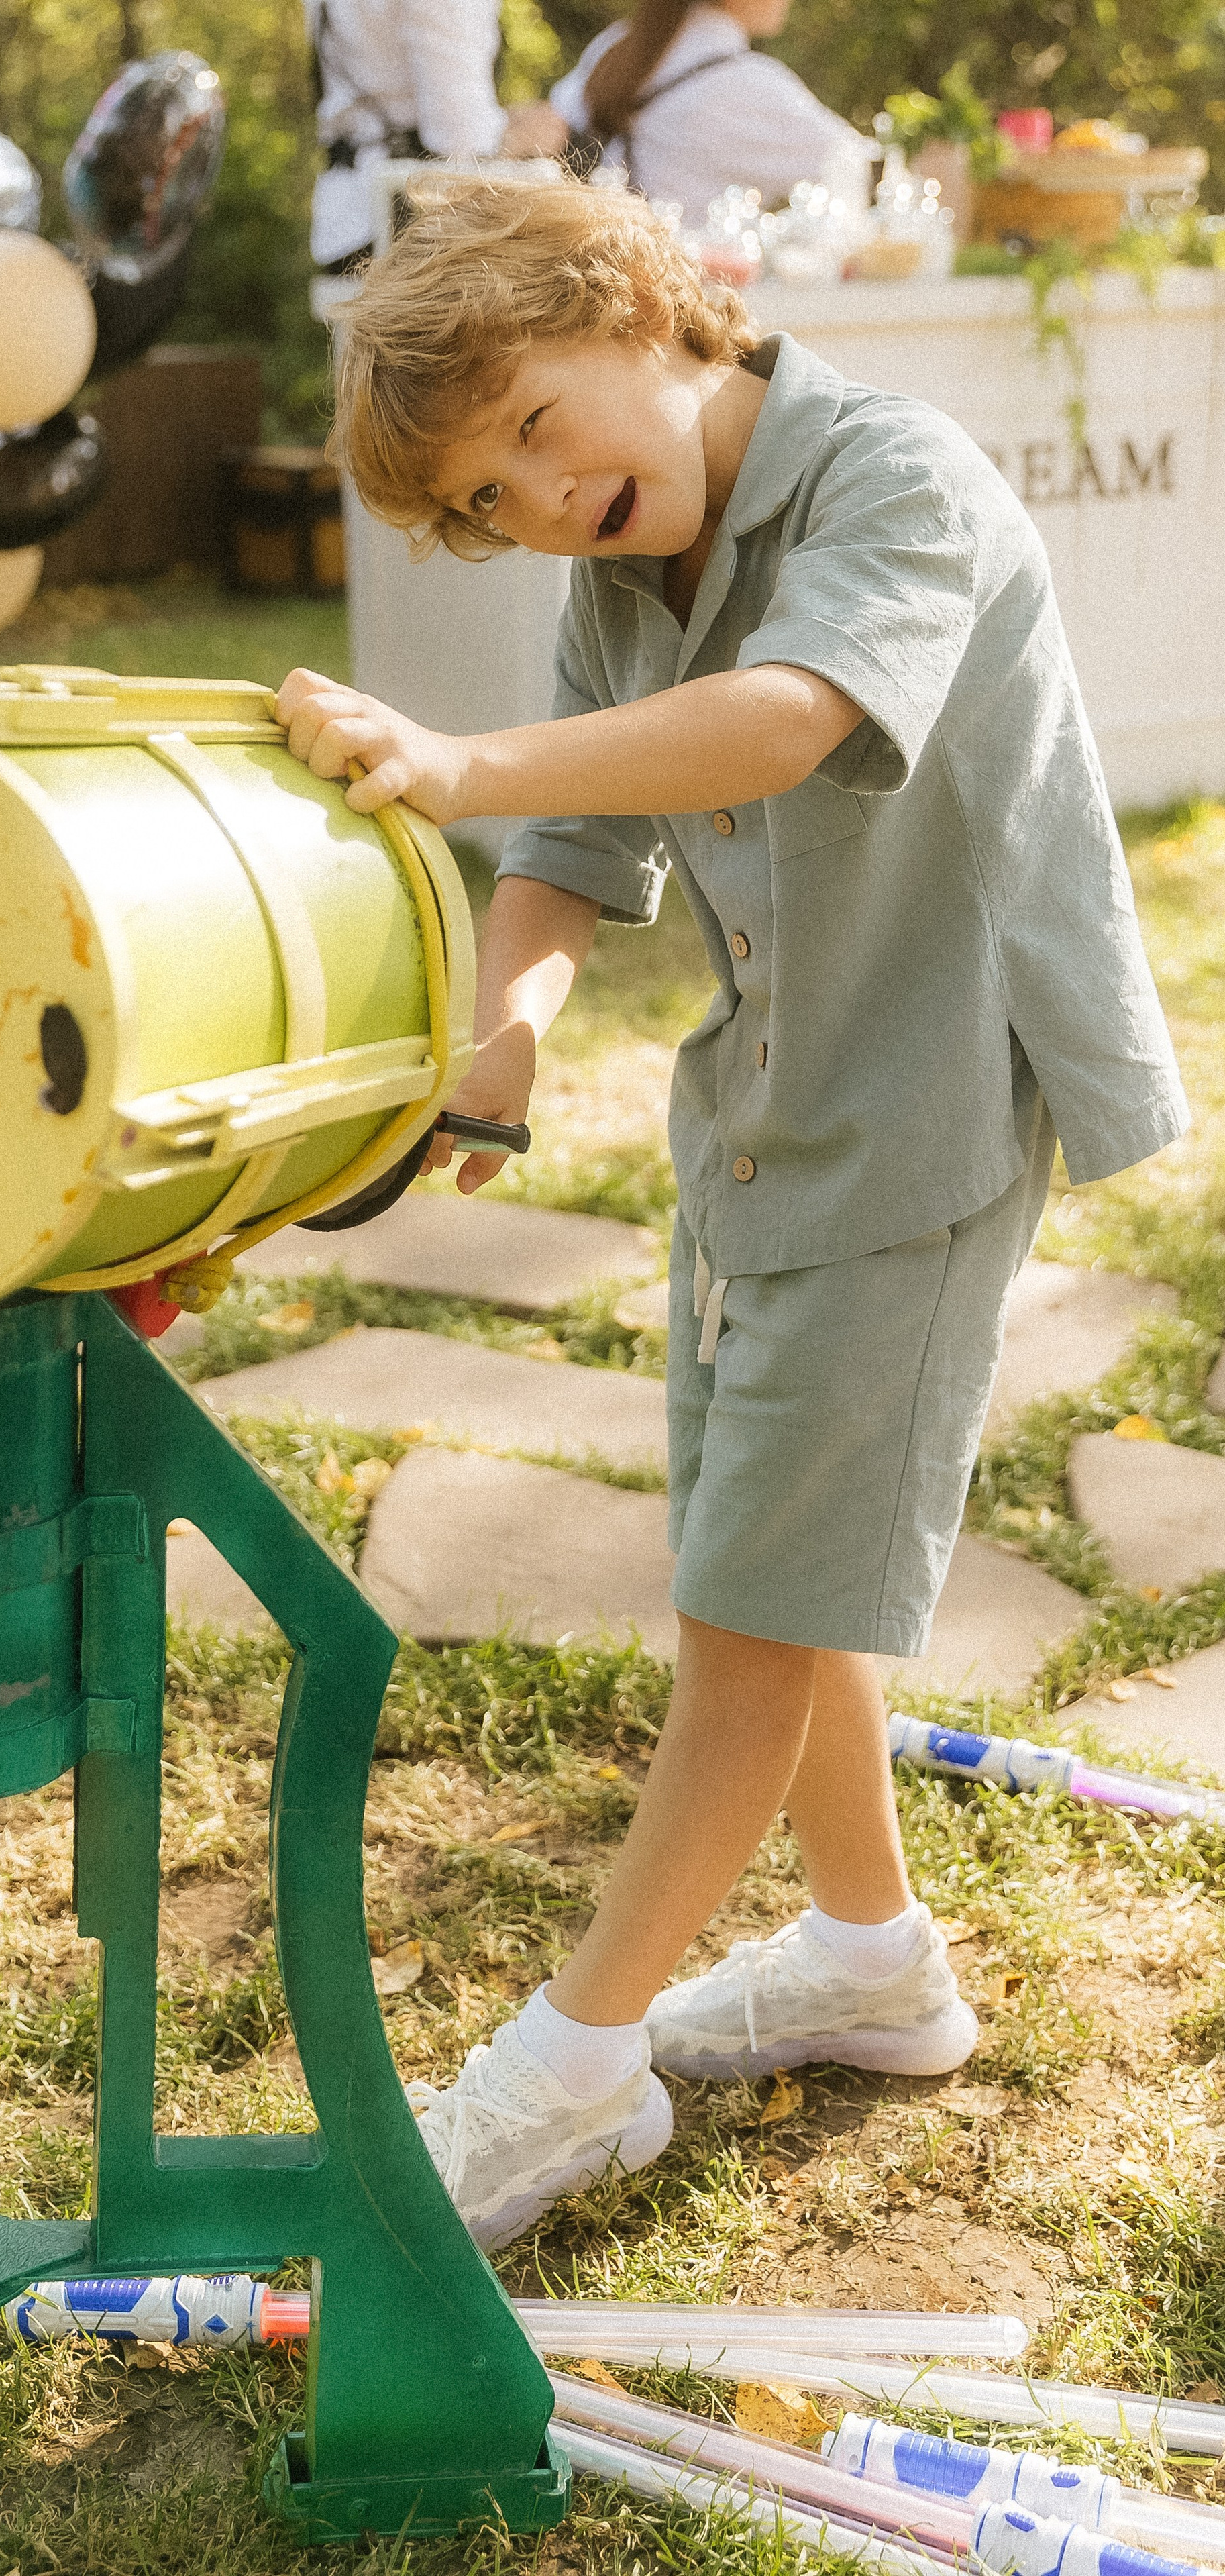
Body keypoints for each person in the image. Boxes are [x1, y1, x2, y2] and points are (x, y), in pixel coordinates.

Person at [275, 177, 1187, 2255]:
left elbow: (788, 717)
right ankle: (870, 1960)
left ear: (636, 303)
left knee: (752, 1614)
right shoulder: (619, 579)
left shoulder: (897, 477)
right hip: (767, 1122)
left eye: (529, 422)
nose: (532, 492)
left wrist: (449, 745)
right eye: (486, 501)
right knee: (761, 1555)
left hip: (935, 1108)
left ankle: (566, 2074)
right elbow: (574, 845)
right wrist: (500, 1042)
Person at [306, 0, 570, 274]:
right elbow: (461, 139)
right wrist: (533, 134)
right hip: (409, 230)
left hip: (343, 221)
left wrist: (504, 119)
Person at [553, 0, 872, 219]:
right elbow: (863, 171)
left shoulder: (614, 46)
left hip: (610, 281)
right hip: (693, 297)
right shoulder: (746, 84)